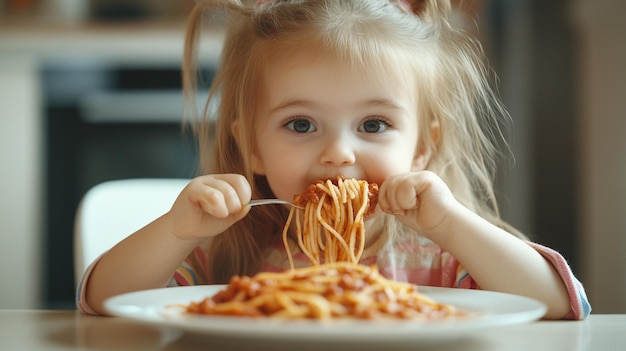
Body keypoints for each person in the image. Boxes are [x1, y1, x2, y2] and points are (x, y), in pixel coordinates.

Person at [77, 0, 590, 319]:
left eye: (373, 125)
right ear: (251, 144)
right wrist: (176, 230)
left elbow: (559, 306)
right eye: (300, 125)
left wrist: (453, 223)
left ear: (422, 146)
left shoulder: (440, 255)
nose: (338, 154)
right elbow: (103, 300)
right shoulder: (228, 254)